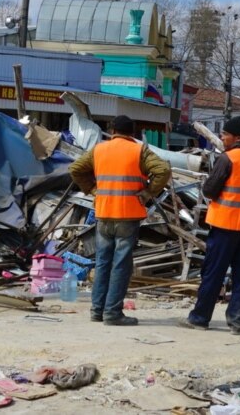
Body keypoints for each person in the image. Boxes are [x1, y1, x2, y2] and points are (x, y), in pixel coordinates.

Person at [69, 115, 171, 326]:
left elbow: (76, 169)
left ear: (112, 130)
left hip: (104, 213)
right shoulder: (138, 150)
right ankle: (113, 313)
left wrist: (94, 190)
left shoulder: (99, 150)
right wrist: (146, 193)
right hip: (127, 214)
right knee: (121, 265)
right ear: (132, 133)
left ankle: (97, 310)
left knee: (103, 262)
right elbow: (163, 170)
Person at [179, 115, 240, 334]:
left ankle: (200, 318)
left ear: (237, 137)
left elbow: (209, 190)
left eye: (225, 134)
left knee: (213, 272)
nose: (222, 138)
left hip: (225, 224)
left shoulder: (228, 159)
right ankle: (237, 322)